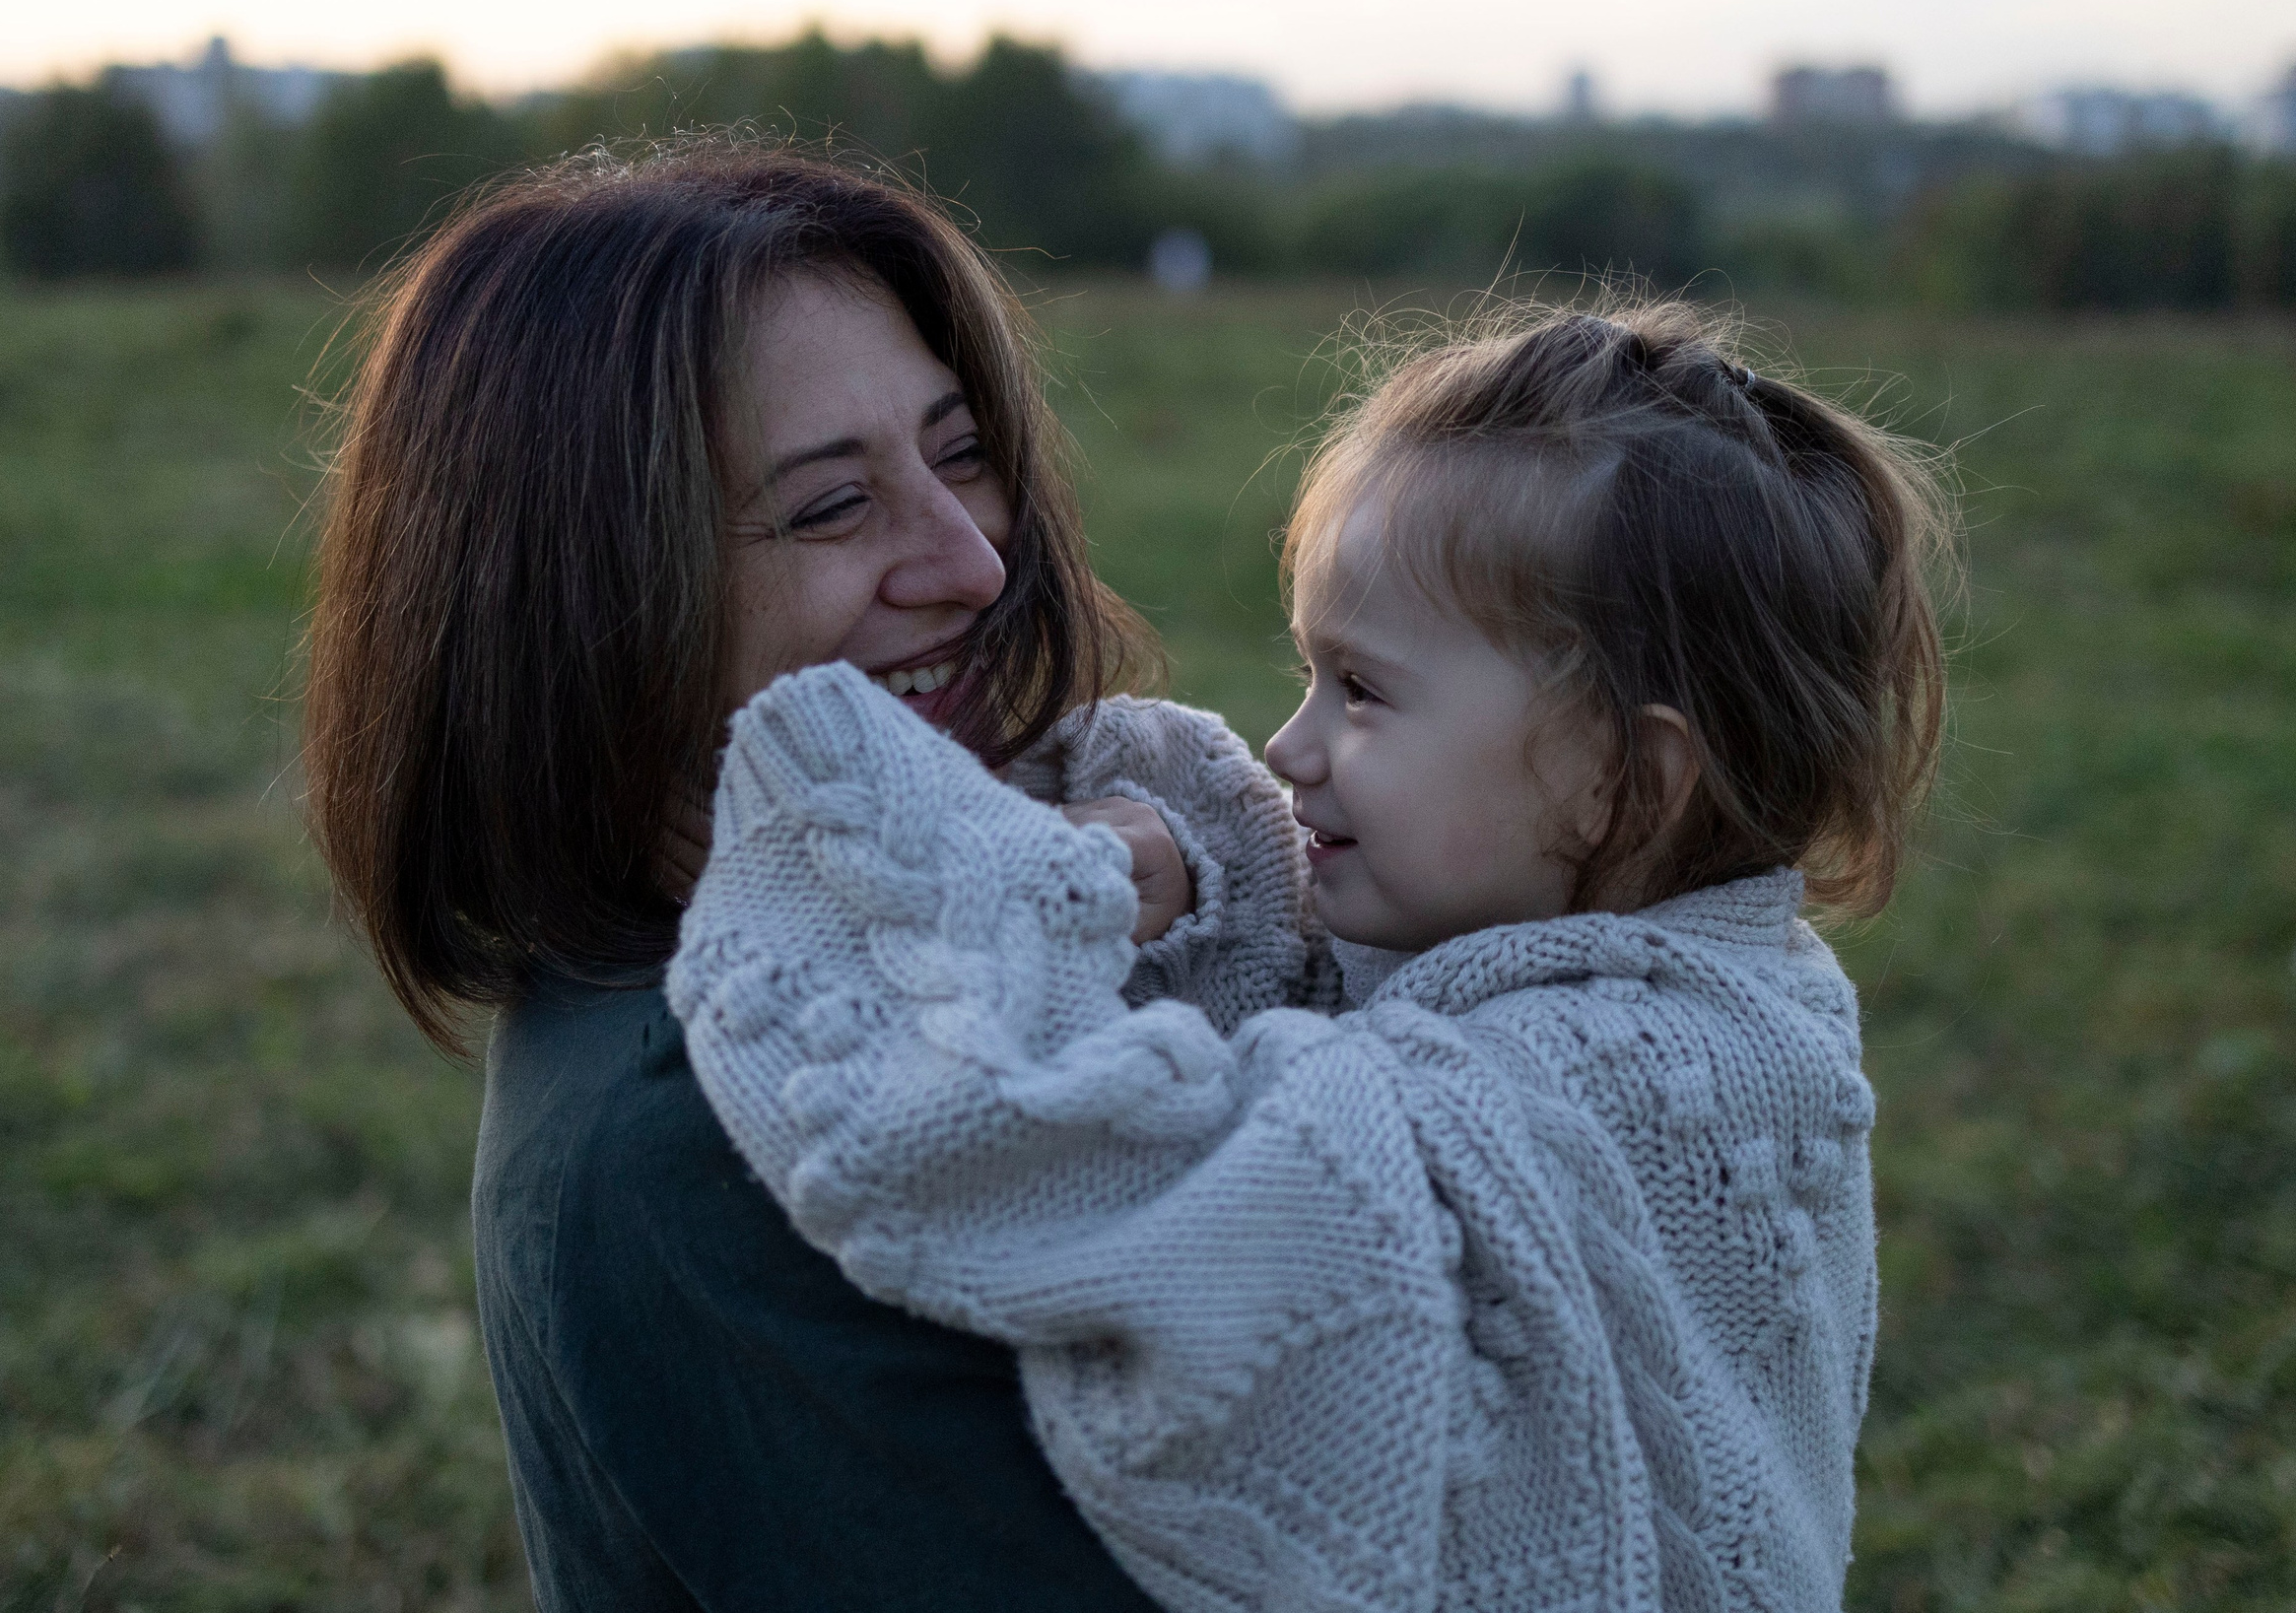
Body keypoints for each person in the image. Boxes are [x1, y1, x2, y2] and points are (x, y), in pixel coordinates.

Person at [672, 301, 1953, 1611]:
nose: (1290, 748)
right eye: (1309, 674)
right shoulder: (1554, 941)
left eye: (1365, 692)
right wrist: (1192, 863)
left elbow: (1198, 1195)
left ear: (1625, 776)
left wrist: (925, 860)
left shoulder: (1652, 1058)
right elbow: (1316, 1004)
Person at [302, 140, 1315, 1609]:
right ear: (584, 602)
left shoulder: (879, 948)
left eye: (960, 452)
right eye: (832, 508)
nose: (969, 560)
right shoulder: (717, 1130)